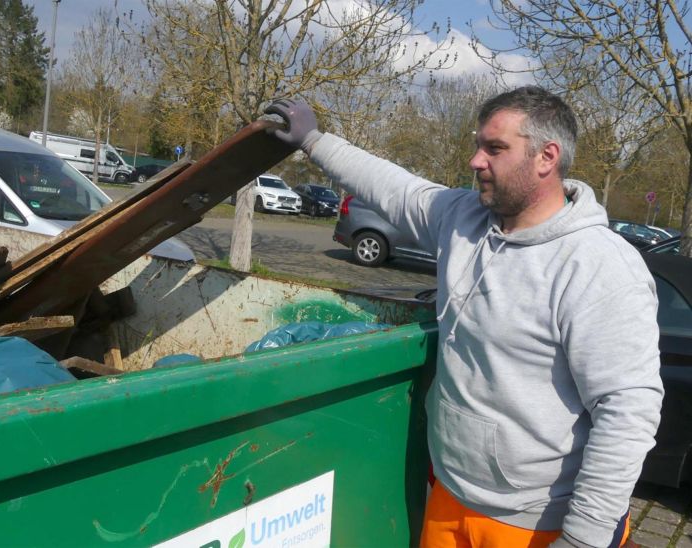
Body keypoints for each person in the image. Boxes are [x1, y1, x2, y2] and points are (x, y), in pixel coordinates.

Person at [264, 87, 663, 548]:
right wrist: (315, 140)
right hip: (451, 494)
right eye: (479, 145)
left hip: (535, 523)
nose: (476, 160)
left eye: (495, 148)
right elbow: (394, 186)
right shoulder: (463, 218)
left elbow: (628, 413)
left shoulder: (597, 265)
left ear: (546, 157)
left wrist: (585, 539)